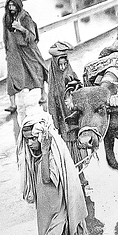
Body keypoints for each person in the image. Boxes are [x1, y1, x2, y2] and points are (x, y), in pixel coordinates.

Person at [17, 112, 88, 235]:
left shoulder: (53, 154)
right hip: (45, 210)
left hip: (59, 209)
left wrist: (46, 150)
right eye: (27, 139)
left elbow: (48, 178)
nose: (30, 143)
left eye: (34, 138)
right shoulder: (33, 157)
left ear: (43, 137)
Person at [46, 40, 87, 186]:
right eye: (60, 65)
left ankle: (81, 175)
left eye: (65, 64)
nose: (63, 67)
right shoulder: (53, 82)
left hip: (74, 120)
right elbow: (51, 103)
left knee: (78, 148)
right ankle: (75, 177)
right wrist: (54, 124)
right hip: (63, 122)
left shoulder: (70, 73)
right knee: (69, 151)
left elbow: (81, 91)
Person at [3, 0, 48, 114]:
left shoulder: (25, 17)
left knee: (36, 69)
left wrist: (21, 28)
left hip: (28, 48)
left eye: (13, 5)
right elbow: (5, 36)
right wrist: (7, 50)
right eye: (9, 5)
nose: (11, 8)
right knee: (12, 74)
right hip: (14, 49)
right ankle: (13, 104)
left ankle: (43, 94)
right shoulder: (6, 18)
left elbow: (32, 36)